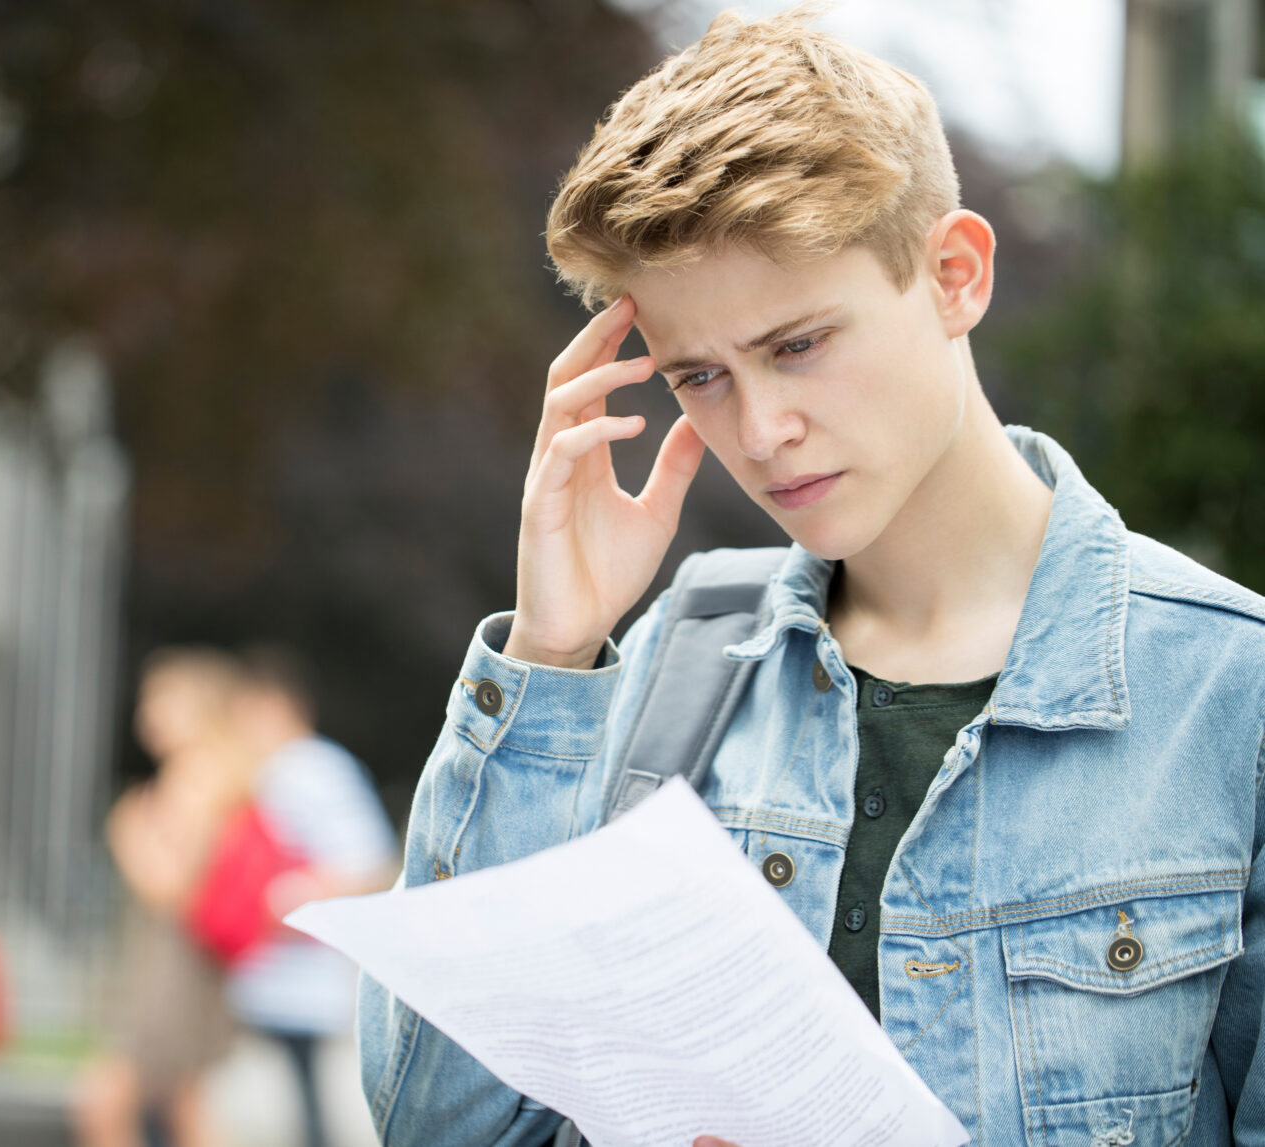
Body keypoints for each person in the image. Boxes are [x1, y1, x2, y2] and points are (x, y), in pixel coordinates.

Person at [356, 7, 1265, 1147]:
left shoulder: (1234, 698)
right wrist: (549, 656)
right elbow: (446, 1130)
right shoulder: (660, 671)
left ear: (954, 274)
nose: (764, 427)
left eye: (796, 345)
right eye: (698, 375)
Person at [74, 648, 250, 1147]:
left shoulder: (194, 777)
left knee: (102, 1103)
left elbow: (169, 887)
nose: (146, 714)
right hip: (194, 961)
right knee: (186, 1106)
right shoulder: (222, 770)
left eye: (159, 700)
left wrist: (126, 833)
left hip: (174, 964)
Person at [225, 646, 398, 1147]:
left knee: (306, 1121)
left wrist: (291, 898)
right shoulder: (264, 770)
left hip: (306, 986)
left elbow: (371, 865)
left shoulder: (317, 768)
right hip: (267, 983)